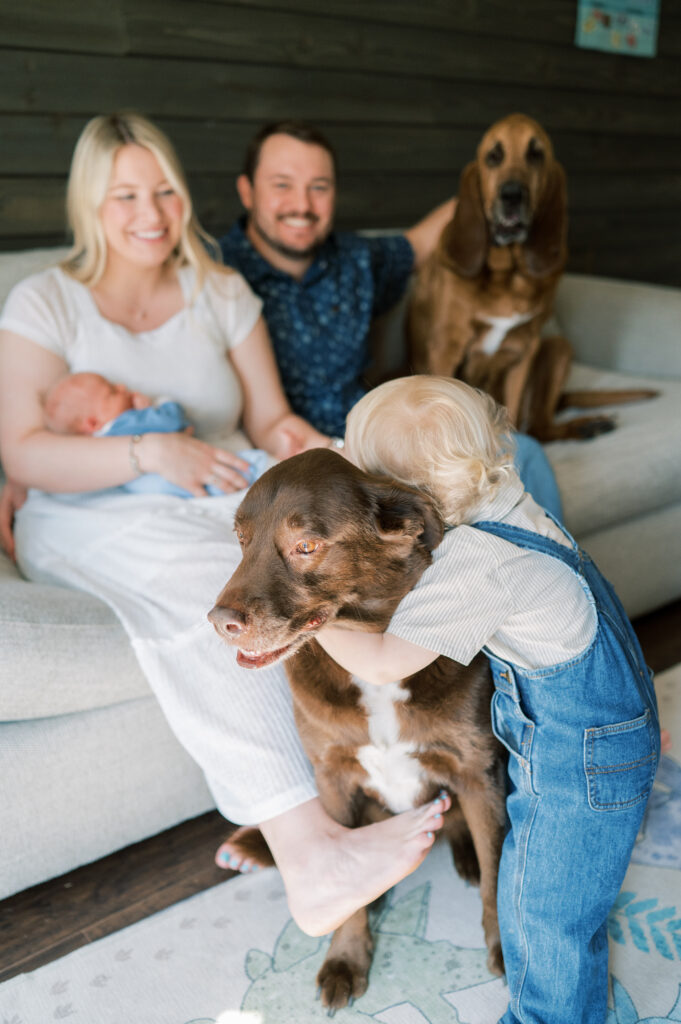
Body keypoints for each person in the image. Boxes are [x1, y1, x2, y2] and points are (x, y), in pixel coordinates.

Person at [0, 112, 451, 939]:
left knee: (309, 570)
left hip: (217, 488)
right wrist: (147, 456)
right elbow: (24, 454)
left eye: (164, 189)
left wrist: (337, 457)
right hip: (85, 510)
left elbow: (272, 420)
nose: (150, 211)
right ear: (88, 204)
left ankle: (430, 759)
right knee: (205, 591)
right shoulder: (44, 302)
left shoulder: (219, 290)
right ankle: (309, 854)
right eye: (125, 194)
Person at [314, 375, 661, 1024]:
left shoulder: (479, 563)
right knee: (569, 885)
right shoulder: (506, 494)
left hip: (576, 765)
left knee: (541, 909)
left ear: (406, 499)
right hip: (612, 727)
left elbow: (385, 660)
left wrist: (309, 618)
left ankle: (548, 1017)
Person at [218, 118, 563, 516]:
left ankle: (555, 569)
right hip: (296, 456)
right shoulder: (219, 278)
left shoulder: (356, 260)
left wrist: (492, 193)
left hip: (379, 436)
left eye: (319, 187)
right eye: (282, 185)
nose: (302, 205)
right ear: (247, 191)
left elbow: (418, 243)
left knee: (525, 453)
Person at [42, 371, 269, 494]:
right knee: (251, 466)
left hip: (156, 488)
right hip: (175, 479)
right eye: (111, 392)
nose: (122, 387)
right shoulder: (125, 424)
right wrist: (158, 406)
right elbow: (171, 422)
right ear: (93, 423)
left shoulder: (98, 448)